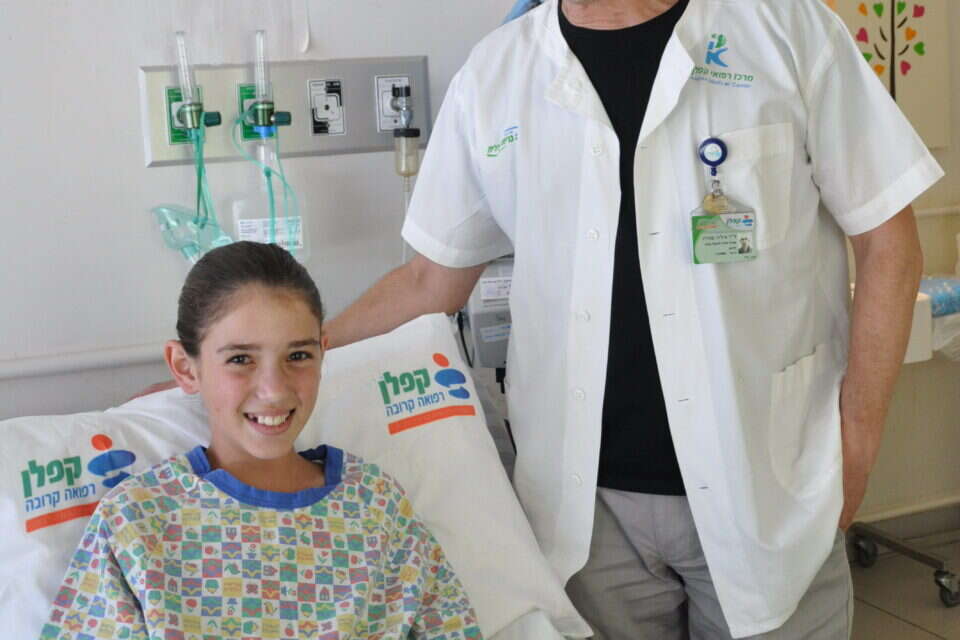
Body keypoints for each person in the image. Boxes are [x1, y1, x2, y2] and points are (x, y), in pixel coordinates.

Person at [323, 0, 942, 638]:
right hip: (588, 519)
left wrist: (859, 440)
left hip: (770, 489)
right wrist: (297, 353)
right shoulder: (495, 74)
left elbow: (889, 243)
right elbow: (430, 280)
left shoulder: (785, 29)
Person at [39, 242, 483, 640]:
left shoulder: (376, 506)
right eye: (240, 359)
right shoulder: (137, 522)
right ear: (186, 368)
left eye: (298, 355)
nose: (274, 389)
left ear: (323, 354)